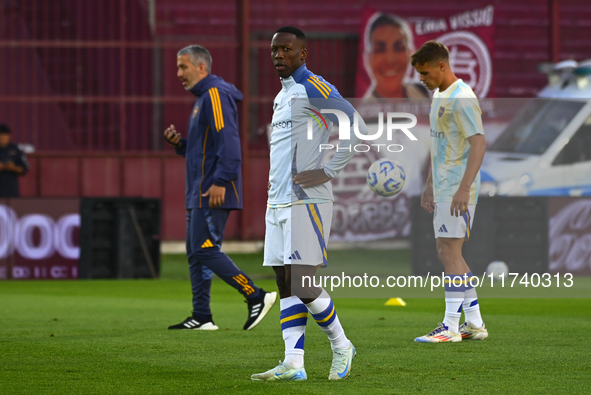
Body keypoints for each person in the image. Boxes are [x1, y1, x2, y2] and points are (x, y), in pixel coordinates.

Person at [251, 26, 367, 382]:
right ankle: (293, 362)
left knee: (302, 282)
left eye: (286, 50)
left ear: (303, 54)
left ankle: (342, 344)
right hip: (278, 202)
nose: (279, 56)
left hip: (307, 201)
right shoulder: (282, 96)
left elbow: (355, 123)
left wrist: (328, 169)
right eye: (274, 51)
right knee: (284, 282)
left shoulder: (312, 86)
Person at [163, 45, 276, 331]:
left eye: (183, 67)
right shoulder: (203, 97)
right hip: (200, 189)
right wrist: (181, 145)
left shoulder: (215, 94)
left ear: (202, 67)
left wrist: (221, 181)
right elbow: (205, 149)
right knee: (196, 251)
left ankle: (255, 295)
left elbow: (229, 142)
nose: (178, 73)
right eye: (177, 67)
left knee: (204, 249)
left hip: (212, 188)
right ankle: (202, 315)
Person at [411, 41, 488, 343]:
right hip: (444, 186)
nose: (422, 79)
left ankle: (450, 327)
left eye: (426, 73)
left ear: (442, 66)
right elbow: (439, 143)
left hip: (458, 187)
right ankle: (475, 323)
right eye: (419, 74)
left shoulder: (462, 97)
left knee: (449, 252)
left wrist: (464, 188)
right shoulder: (439, 95)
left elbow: (479, 143)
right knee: (448, 252)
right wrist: (431, 183)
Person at [363, 13, 430, 99]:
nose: (390, 59)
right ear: (368, 58)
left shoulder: (420, 92)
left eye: (399, 48)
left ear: (410, 54)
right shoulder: (364, 110)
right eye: (380, 49)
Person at [0, 124, 29, 198]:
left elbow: (24, 169)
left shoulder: (15, 149)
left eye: (5, 137)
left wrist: (12, 167)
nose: (3, 139)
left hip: (11, 191)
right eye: (1, 137)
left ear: (9, 136)